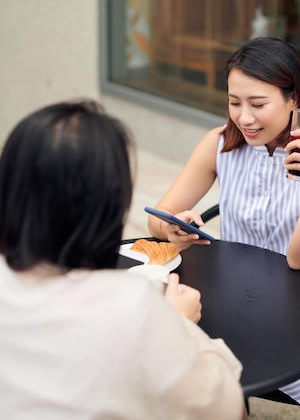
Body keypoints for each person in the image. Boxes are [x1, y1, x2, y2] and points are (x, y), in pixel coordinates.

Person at [148, 37, 300, 417]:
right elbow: (157, 216)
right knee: (175, 355)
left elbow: (299, 259)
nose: (244, 118)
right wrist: (173, 227)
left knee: (204, 365)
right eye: (234, 103)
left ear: (293, 98)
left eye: (258, 104)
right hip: (235, 295)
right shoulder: (220, 143)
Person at [0, 100, 247, 420]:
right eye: (234, 101)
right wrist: (181, 326)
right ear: (110, 204)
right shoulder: (133, 307)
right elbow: (227, 409)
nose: (244, 115)